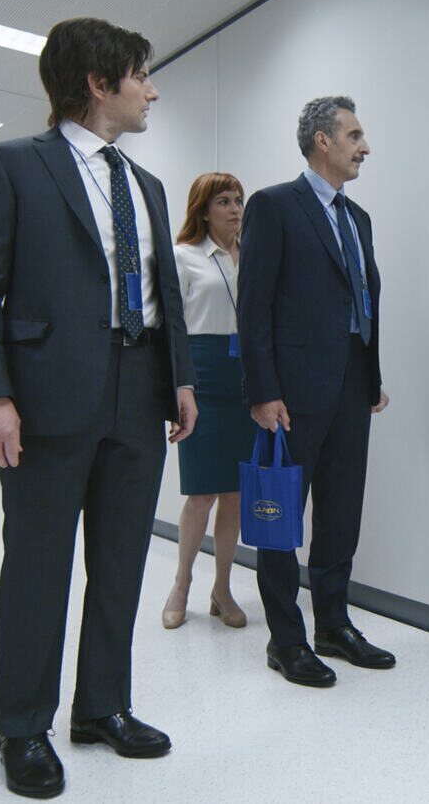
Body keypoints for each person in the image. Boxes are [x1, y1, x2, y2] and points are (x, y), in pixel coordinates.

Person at [0, 17, 198, 799]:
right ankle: (24, 728)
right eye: (141, 76)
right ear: (98, 83)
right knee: (38, 567)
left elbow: (162, 295)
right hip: (46, 397)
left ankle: (102, 707)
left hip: (140, 390)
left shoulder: (146, 185)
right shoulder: (11, 165)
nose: (151, 90)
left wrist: (181, 378)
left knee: (121, 561)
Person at [236, 96, 394, 688]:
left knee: (341, 511)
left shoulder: (358, 218)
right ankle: (286, 640)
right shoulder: (275, 206)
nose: (365, 147)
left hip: (352, 384)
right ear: (322, 141)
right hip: (292, 392)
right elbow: (253, 305)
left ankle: (333, 624)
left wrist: (371, 376)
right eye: (354, 135)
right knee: (280, 516)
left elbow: (363, 300)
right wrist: (262, 390)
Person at [159, 172, 252, 630]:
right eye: (224, 201)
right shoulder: (184, 257)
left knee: (235, 492)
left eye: (238, 200)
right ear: (203, 209)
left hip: (245, 381)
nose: (234, 209)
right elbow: (172, 328)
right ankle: (181, 584)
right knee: (201, 493)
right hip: (203, 378)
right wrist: (180, 387)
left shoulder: (252, 256)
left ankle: (223, 588)